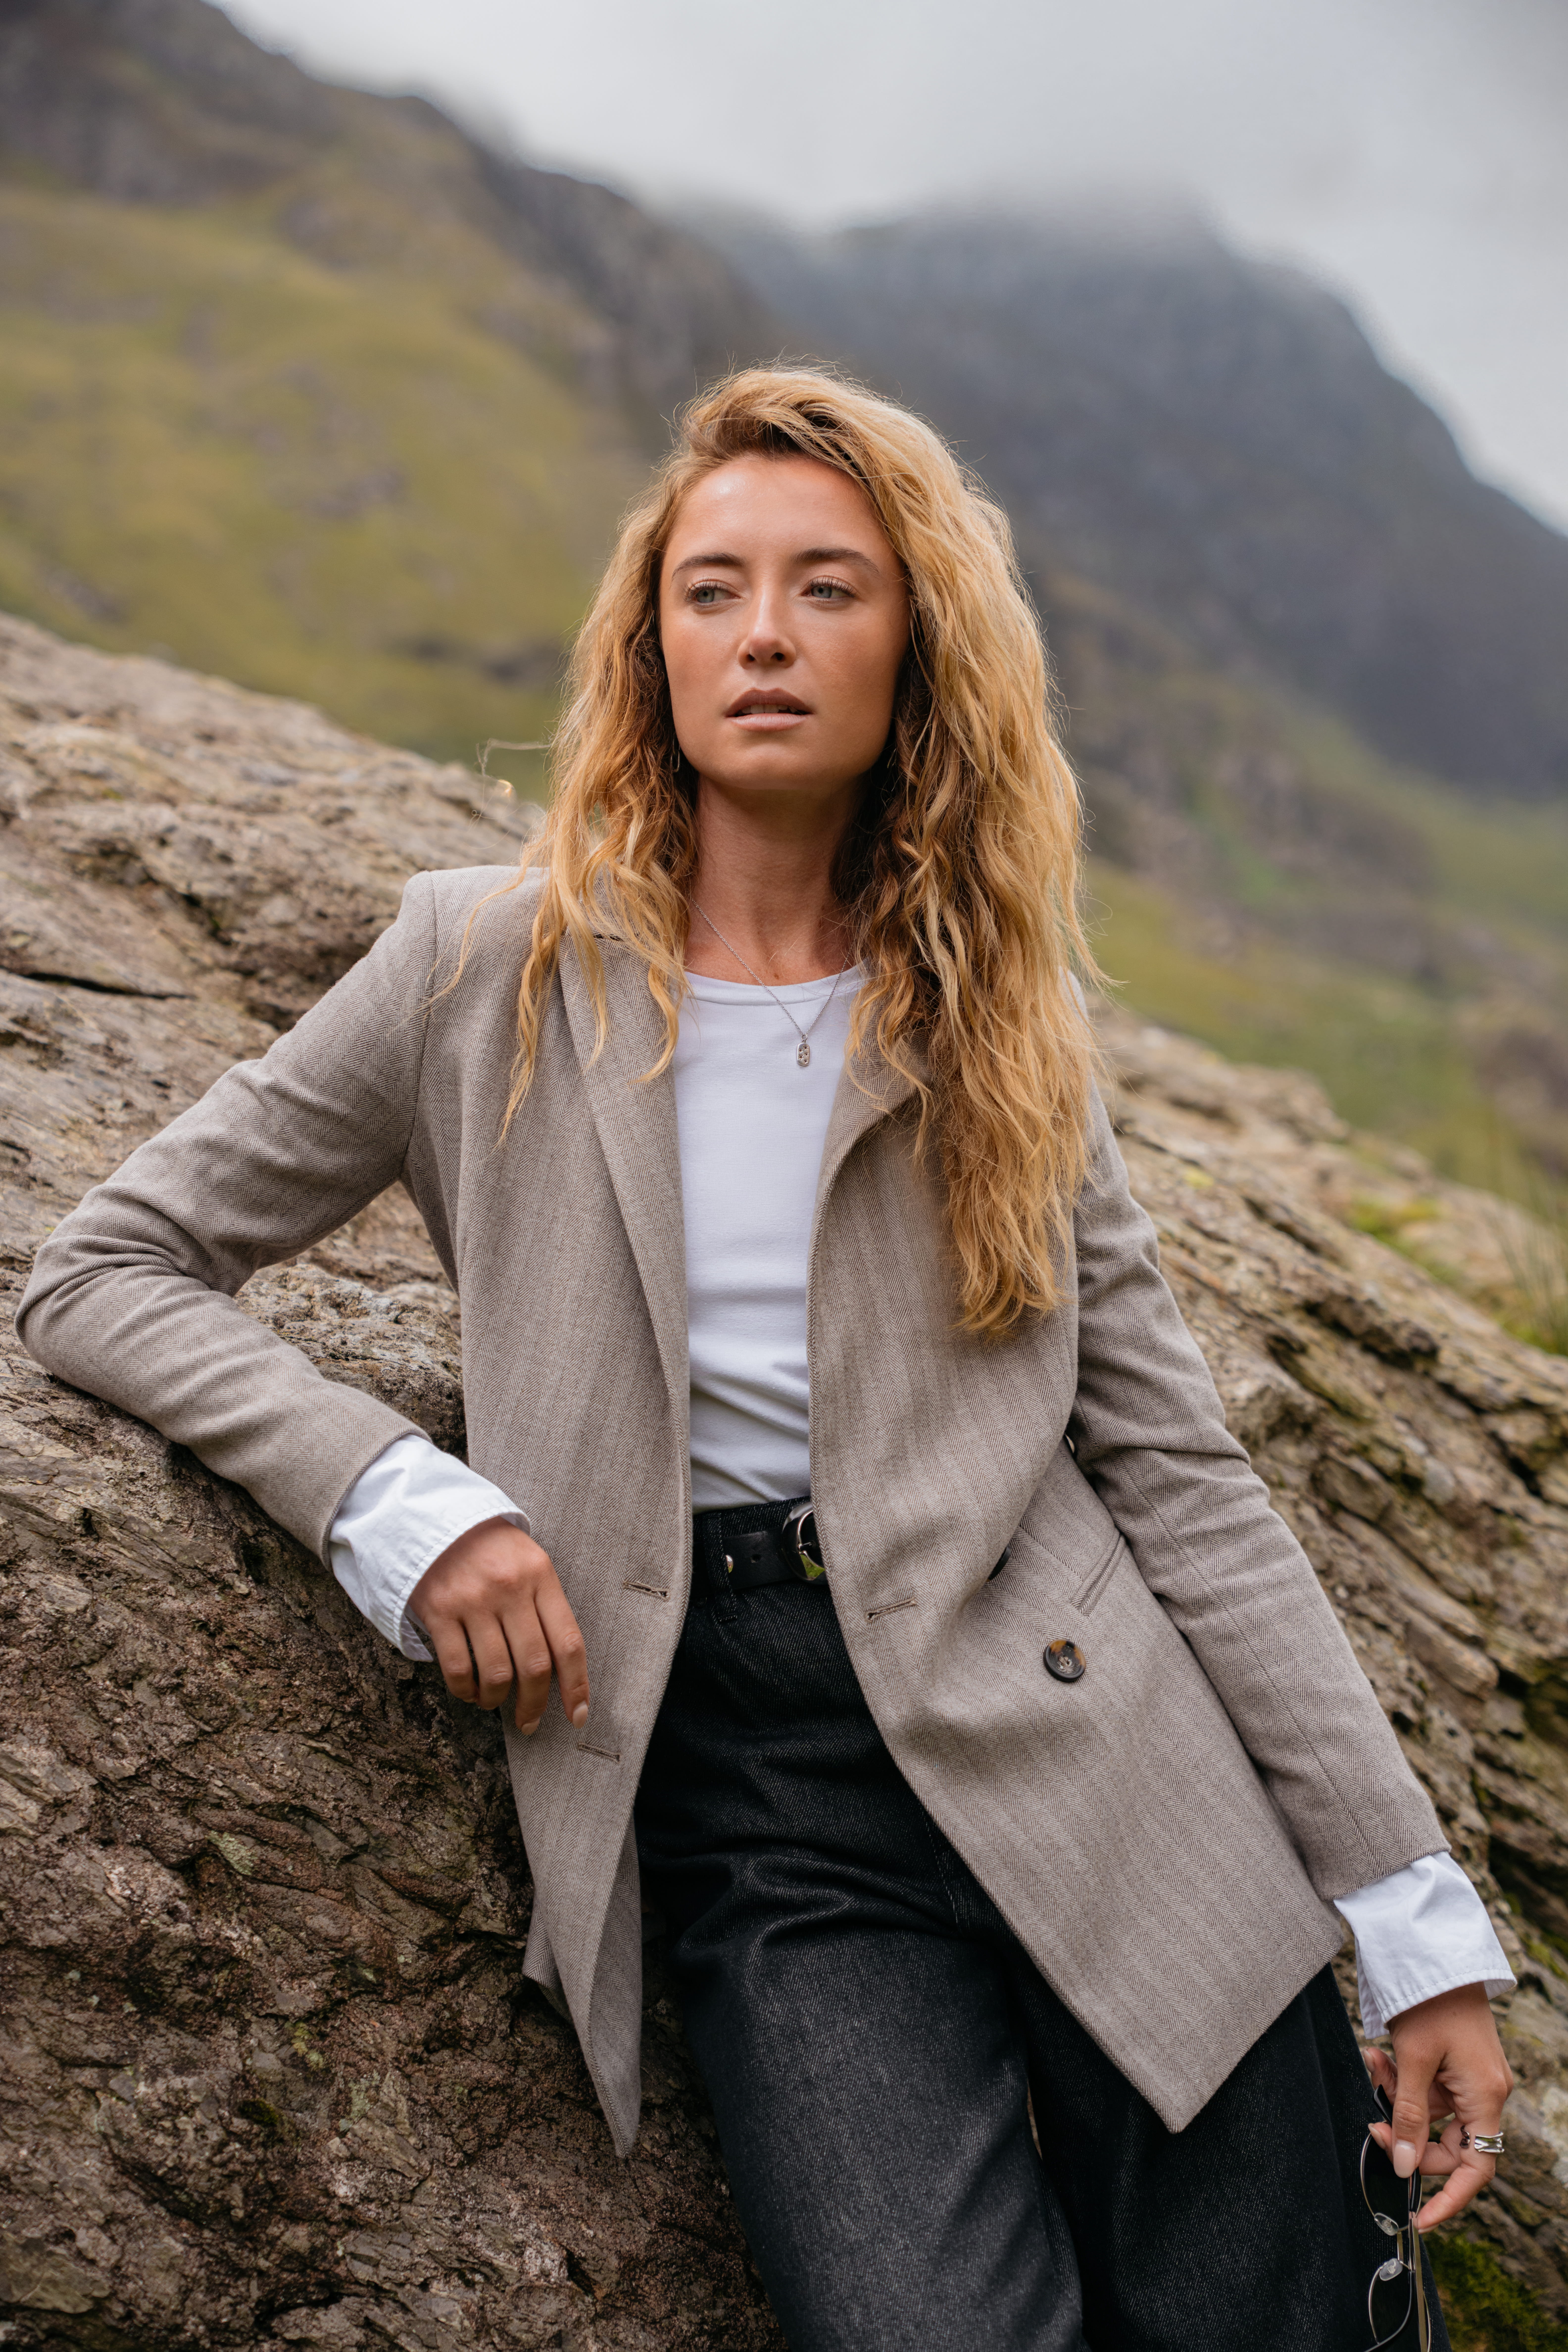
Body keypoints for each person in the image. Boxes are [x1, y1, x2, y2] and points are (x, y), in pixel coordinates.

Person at [18, 368, 1516, 2351]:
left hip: (1101, 1756)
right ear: (652, 642)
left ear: (920, 648)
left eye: (830, 588)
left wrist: (1417, 1933)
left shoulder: (1006, 1027)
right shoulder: (478, 968)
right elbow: (105, 1270)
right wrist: (402, 1502)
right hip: (755, 1795)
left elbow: (1179, 1478)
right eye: (714, 589)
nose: (766, 637)